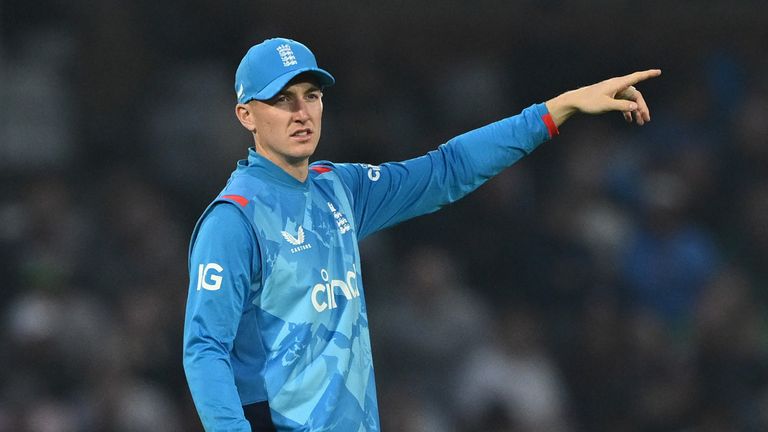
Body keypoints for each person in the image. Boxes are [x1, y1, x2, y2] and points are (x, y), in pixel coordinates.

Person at [182, 37, 660, 431]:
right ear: (246, 115)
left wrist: (559, 109)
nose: (301, 112)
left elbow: (446, 169)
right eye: (282, 99)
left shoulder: (339, 188)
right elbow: (205, 349)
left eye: (311, 95)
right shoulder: (233, 220)